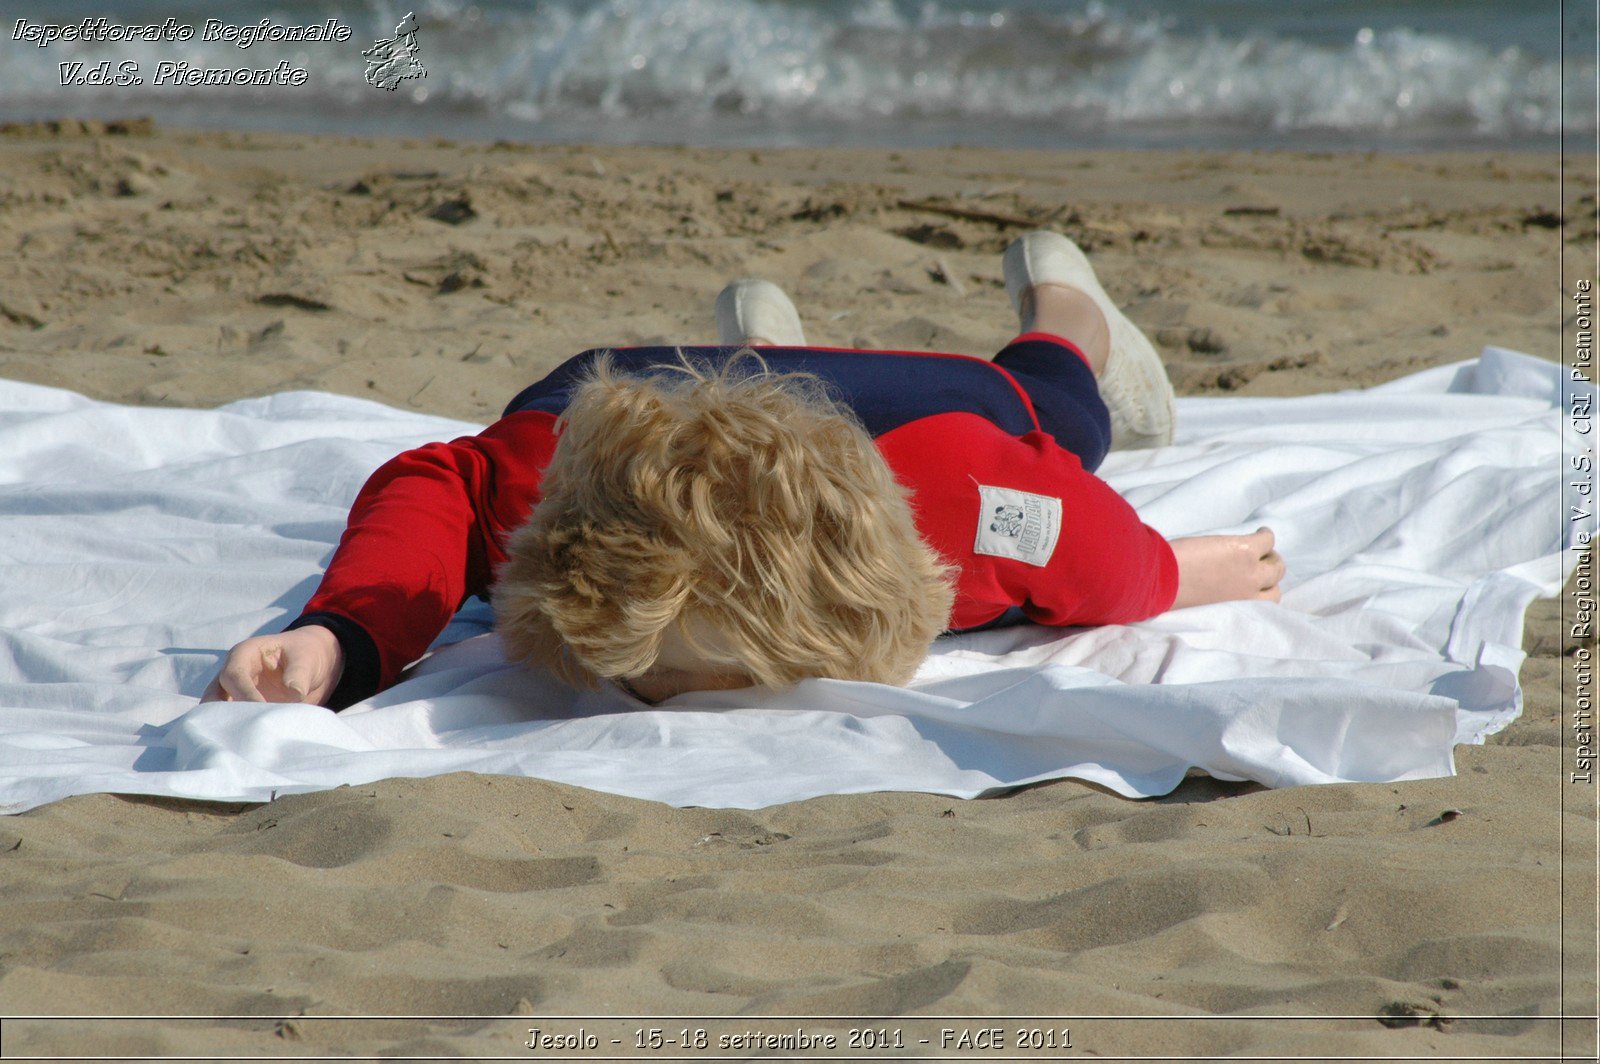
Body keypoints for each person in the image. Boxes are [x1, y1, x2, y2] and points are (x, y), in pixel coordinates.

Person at [204, 231, 1284, 708]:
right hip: (617, 394)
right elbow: (431, 482)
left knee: (1057, 412)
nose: (668, 703)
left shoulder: (962, 497)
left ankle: (1066, 298)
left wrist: (1187, 570)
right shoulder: (560, 491)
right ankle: (759, 350)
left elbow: (1098, 553)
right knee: (722, 409)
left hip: (916, 413)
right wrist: (343, 633)